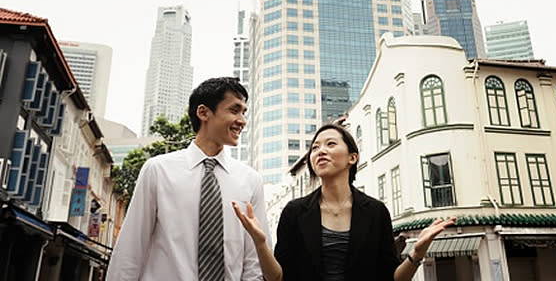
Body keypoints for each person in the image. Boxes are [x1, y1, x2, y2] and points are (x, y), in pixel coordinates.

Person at [233, 123, 455, 281]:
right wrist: (260, 244)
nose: (320, 151)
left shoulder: (376, 212)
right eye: (315, 147)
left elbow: (393, 277)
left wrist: (416, 253)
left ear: (352, 157)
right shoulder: (295, 211)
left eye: (330, 144)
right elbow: (278, 278)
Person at [107, 77, 271, 281]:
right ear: (203, 112)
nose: (243, 121)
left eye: (244, 113)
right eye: (234, 110)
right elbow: (131, 249)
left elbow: (254, 260)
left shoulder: (251, 180)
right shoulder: (158, 170)